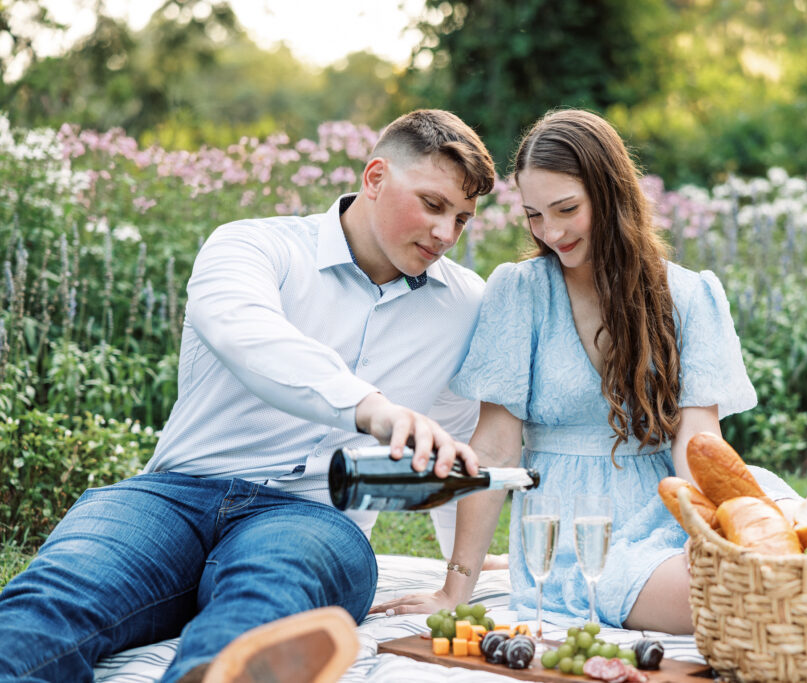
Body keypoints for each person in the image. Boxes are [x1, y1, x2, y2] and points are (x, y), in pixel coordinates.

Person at [0, 109, 495, 682]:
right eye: (433, 205)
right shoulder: (253, 245)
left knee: (262, 610)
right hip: (170, 497)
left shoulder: (464, 305)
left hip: (314, 518)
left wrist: (459, 575)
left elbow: (451, 444)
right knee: (50, 602)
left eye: (462, 220)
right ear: (375, 177)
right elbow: (251, 336)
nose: (445, 234)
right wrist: (370, 408)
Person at [372, 109, 797, 634]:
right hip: (580, 534)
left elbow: (698, 439)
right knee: (736, 599)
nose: (550, 232)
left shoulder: (688, 293)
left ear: (611, 194)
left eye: (566, 209)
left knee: (805, 557)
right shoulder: (521, 292)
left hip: (679, 505)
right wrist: (455, 587)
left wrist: (705, 536)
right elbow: (496, 449)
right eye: (533, 215)